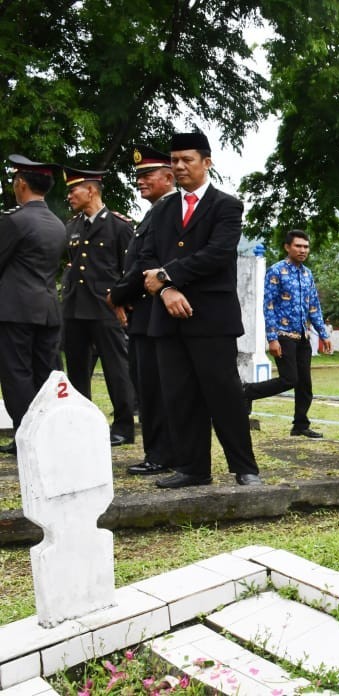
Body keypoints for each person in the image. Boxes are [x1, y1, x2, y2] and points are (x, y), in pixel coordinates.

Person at [140, 131, 261, 488]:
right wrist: (167, 292)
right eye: (174, 160)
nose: (179, 166)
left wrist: (166, 275)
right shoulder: (162, 212)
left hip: (210, 318)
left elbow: (218, 253)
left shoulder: (226, 206)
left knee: (223, 394)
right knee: (179, 396)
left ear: (206, 162)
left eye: (187, 159)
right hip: (168, 319)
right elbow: (146, 256)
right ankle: (193, 469)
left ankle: (245, 467)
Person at [109, 145, 178, 474]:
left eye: (147, 175)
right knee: (146, 386)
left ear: (168, 177)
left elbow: (146, 265)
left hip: (155, 313)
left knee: (154, 388)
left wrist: (117, 295)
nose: (140, 181)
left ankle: (162, 455)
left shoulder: (169, 211)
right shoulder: (153, 213)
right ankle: (158, 452)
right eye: (137, 176)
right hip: (142, 312)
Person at [60, 165, 136, 446]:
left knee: (117, 368)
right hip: (74, 307)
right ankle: (83, 424)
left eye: (73, 190)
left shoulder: (119, 226)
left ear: (90, 190)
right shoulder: (72, 226)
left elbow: (129, 271)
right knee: (77, 370)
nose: (69, 195)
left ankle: (124, 426)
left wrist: (123, 304)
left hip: (105, 308)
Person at [0, 155, 67, 455]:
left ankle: (25, 435)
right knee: (45, 373)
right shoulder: (57, 223)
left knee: (16, 374)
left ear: (21, 184)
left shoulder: (16, 221)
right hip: (48, 308)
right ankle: (47, 433)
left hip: (15, 309)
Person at [243, 229, 332, 437]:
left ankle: (300, 425)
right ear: (287, 247)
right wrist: (272, 339)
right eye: (298, 246)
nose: (303, 250)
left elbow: (314, 307)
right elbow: (269, 306)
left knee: (305, 384)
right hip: (283, 336)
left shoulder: (307, 273)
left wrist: (323, 333)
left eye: (306, 247)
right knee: (289, 379)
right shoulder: (276, 271)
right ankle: (246, 391)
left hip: (303, 336)